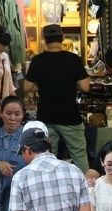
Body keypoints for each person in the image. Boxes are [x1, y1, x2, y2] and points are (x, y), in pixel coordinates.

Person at [24, 24, 91, 170]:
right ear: (62, 38)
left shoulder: (38, 60)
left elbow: (27, 87)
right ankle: (86, 187)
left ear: (44, 40)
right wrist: (72, 84)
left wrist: (42, 86)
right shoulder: (73, 59)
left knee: (46, 156)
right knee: (78, 154)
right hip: (70, 117)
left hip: (46, 117)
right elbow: (86, 86)